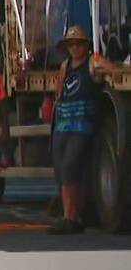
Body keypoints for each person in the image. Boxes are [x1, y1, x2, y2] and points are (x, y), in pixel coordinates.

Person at [49, 25, 115, 234]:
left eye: (78, 44)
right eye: (71, 44)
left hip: (81, 124)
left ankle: (72, 216)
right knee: (61, 168)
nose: (74, 48)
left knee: (71, 167)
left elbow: (112, 71)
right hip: (63, 124)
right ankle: (68, 214)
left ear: (85, 46)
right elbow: (59, 93)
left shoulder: (92, 62)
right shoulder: (65, 66)